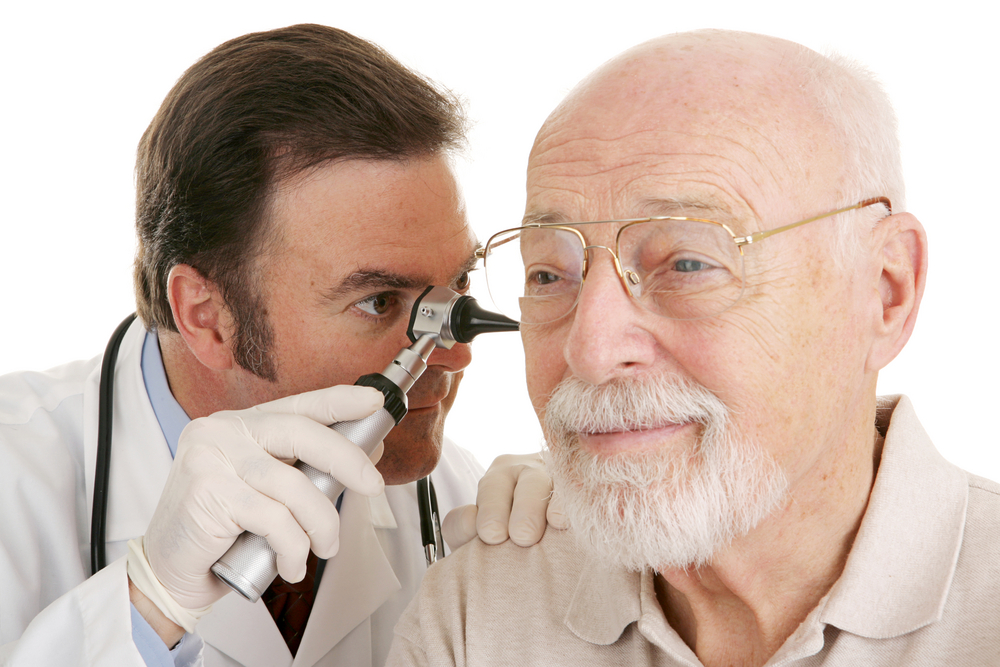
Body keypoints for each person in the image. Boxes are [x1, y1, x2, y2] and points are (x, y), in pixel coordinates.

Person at [387, 29, 1000, 666]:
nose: (590, 352)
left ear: (885, 292)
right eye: (548, 274)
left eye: (687, 263)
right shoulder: (479, 613)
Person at [0, 24, 552, 667]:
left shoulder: (459, 499)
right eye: (378, 302)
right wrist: (150, 604)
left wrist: (591, 574)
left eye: (457, 286)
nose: (454, 354)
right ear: (207, 317)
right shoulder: (17, 476)